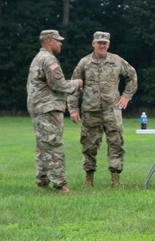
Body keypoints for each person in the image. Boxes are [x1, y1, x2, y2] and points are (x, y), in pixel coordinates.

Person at [67, 31, 138, 188]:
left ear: (109, 44)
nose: (102, 45)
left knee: (116, 143)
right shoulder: (84, 63)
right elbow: (74, 86)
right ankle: (89, 178)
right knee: (89, 145)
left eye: (105, 43)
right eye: (99, 42)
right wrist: (73, 109)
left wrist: (127, 95)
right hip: (90, 111)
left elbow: (132, 75)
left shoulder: (117, 61)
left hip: (112, 110)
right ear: (93, 44)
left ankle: (115, 178)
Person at [27, 29, 82, 193]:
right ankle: (60, 184)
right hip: (48, 107)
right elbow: (58, 84)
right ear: (49, 41)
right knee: (53, 144)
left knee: (42, 145)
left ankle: (42, 181)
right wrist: (76, 83)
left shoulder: (38, 58)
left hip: (38, 108)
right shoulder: (49, 60)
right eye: (58, 40)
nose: (60, 43)